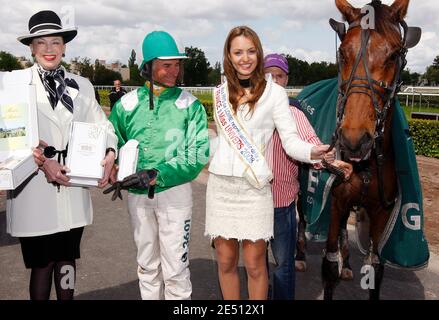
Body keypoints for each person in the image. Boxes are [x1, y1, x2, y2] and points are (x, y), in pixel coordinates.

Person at [205, 26, 333, 300]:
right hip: (222, 187)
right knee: (226, 262)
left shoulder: (275, 94)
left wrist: (315, 152)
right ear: (229, 55)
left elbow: (290, 142)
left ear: (258, 53)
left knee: (254, 264)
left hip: (255, 188)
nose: (245, 58)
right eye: (238, 52)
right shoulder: (219, 94)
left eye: (251, 51)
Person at [6, 10, 117, 300]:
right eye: (41, 43)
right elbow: (7, 134)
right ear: (31, 47)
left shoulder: (82, 85)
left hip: (72, 184)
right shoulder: (13, 85)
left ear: (64, 46)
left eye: (55, 42)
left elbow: (102, 126)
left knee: (67, 258)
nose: (49, 50)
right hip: (33, 189)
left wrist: (109, 150)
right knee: (42, 264)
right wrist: (42, 161)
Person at [108, 30, 209, 300]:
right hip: (138, 198)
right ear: (148, 66)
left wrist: (157, 174)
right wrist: (113, 168)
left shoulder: (191, 105)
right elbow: (112, 146)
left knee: (176, 269)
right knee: (147, 266)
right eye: (167, 65)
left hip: (175, 196)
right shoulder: (125, 106)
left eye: (177, 64)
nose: (174, 71)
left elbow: (197, 154)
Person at [263, 53, 352, 300]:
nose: (273, 81)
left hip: (281, 203)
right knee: (257, 264)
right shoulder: (249, 109)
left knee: (283, 265)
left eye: (279, 76)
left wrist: (332, 161)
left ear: (286, 79)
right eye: (267, 75)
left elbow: (311, 143)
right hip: (252, 202)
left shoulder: (294, 112)